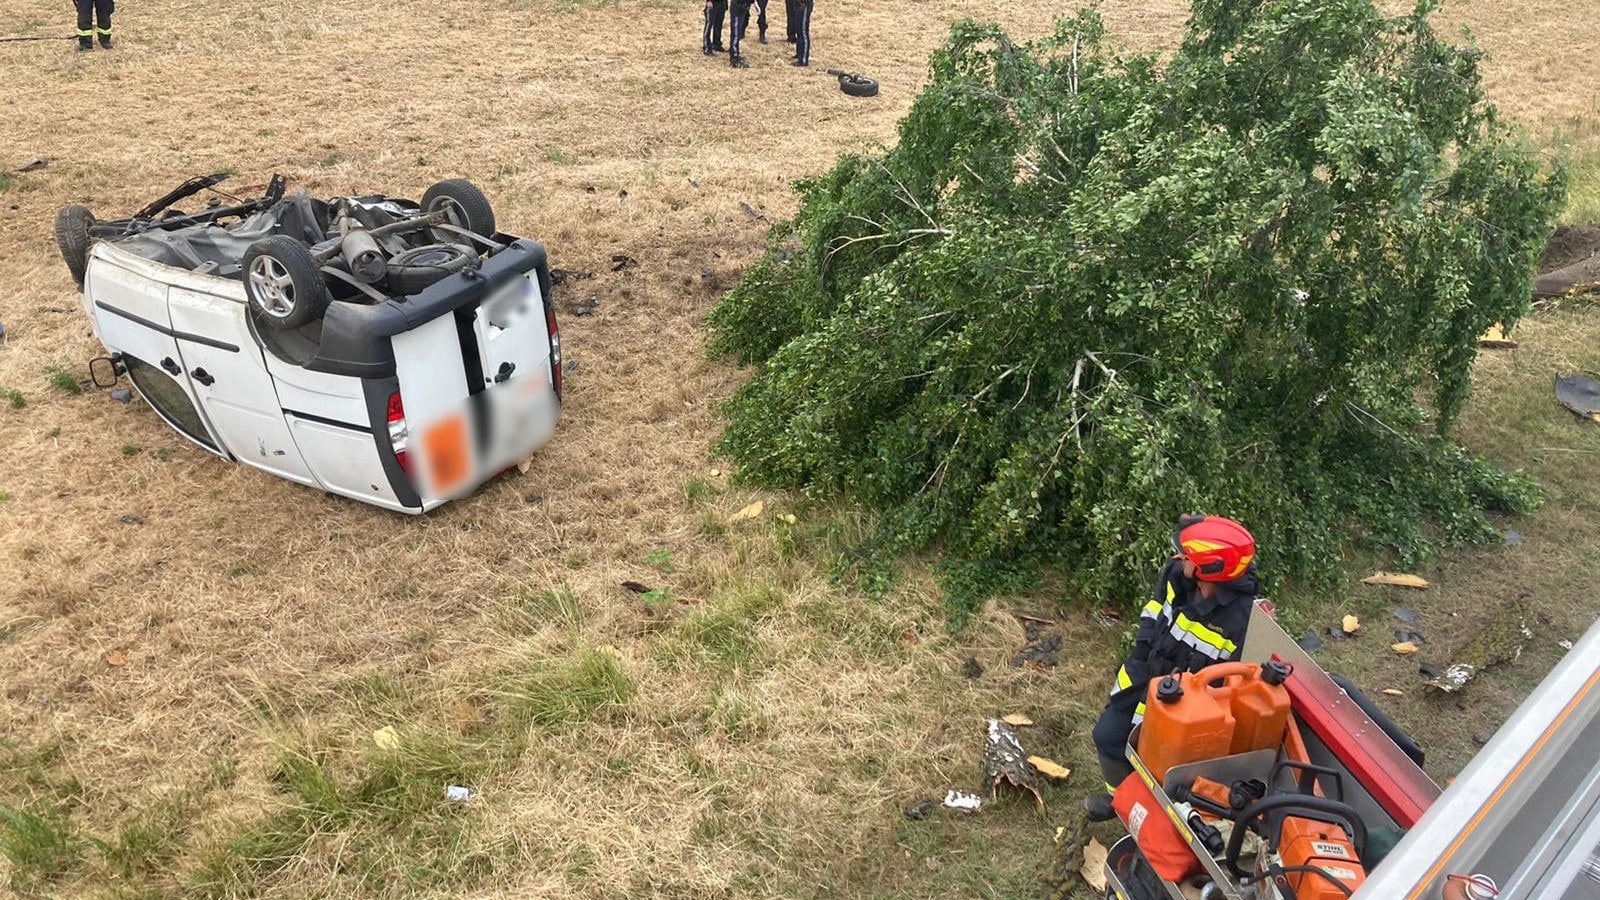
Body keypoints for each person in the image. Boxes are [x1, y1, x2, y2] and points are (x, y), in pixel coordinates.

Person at [1083, 514, 1261, 822]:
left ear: (1210, 570)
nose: (1180, 557)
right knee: (1108, 736)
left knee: (1159, 769)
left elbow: (1234, 688)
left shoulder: (1245, 621)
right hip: (1145, 676)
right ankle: (1119, 800)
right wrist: (1140, 652)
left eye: (1189, 556)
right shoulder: (1176, 575)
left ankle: (1152, 818)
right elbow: (1153, 612)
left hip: (1188, 710)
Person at [727, 0, 754, 67]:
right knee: (735, 33)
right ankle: (734, 57)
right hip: (738, 6)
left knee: (738, 33)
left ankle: (736, 53)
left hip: (743, 6)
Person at [791, 0, 812, 66]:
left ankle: (803, 59)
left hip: (804, 4)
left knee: (803, 31)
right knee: (799, 30)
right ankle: (800, 54)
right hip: (798, 3)